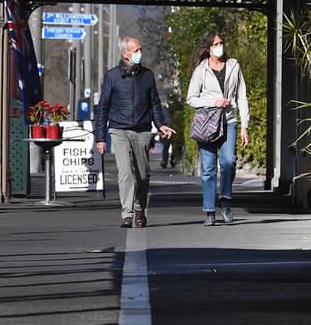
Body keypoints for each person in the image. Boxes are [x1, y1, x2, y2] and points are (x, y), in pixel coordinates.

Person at [95, 36, 175, 228]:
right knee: (125, 173)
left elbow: (154, 102)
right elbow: (103, 107)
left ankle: (140, 208)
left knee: (143, 174)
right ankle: (127, 214)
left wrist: (161, 124)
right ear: (126, 54)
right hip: (118, 129)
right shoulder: (112, 76)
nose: (140, 53)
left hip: (142, 130)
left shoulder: (147, 75)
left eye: (140, 50)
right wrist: (100, 138)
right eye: (136, 50)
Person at [185, 31, 249, 226]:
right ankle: (210, 210)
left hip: (229, 121)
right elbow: (191, 99)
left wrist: (245, 126)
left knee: (229, 162)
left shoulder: (233, 66)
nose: (219, 46)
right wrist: (214, 101)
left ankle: (226, 201)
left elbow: (242, 96)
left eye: (221, 42)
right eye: (215, 44)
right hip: (208, 123)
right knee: (209, 168)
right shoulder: (201, 70)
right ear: (208, 48)